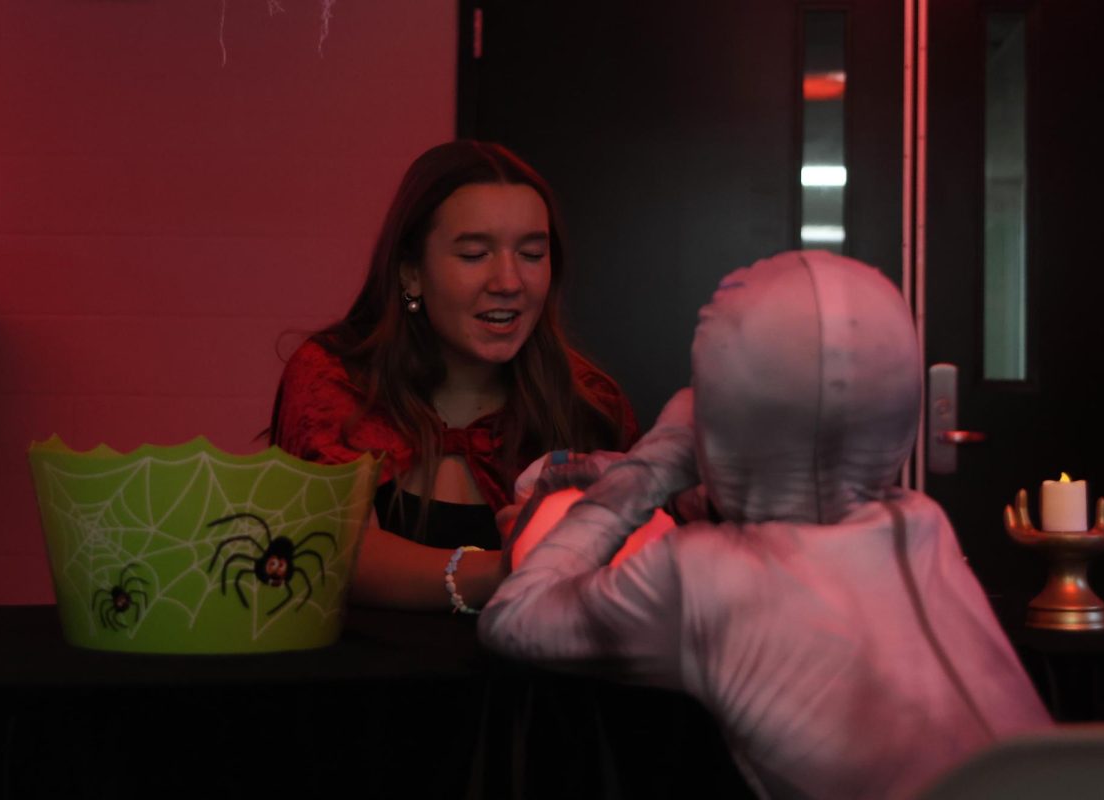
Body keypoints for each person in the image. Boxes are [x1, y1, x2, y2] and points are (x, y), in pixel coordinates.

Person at [479, 250, 1053, 799]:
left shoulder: (703, 576)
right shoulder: (920, 523)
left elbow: (513, 618)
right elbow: (801, 495)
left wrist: (654, 464)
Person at [270, 140, 637, 612]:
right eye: (473, 254)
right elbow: (333, 549)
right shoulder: (336, 380)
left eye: (530, 254)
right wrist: (512, 569)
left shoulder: (590, 402)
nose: (508, 281)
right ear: (411, 274)